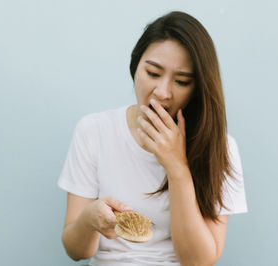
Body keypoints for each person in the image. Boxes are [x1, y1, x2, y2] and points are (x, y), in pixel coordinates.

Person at [57, 11, 247, 266]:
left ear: (197, 89)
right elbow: (76, 251)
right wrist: (90, 218)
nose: (162, 92)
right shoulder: (93, 130)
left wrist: (177, 166)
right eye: (153, 74)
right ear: (135, 67)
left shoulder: (219, 148)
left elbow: (198, 261)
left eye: (181, 81)